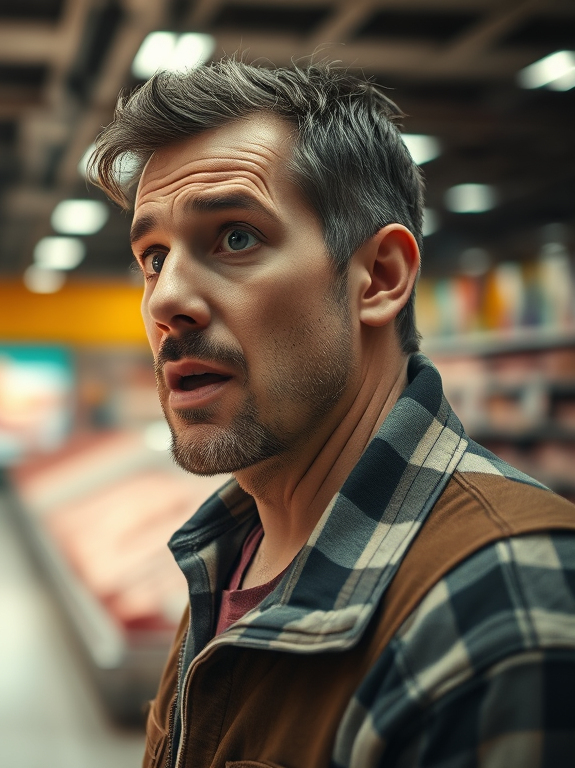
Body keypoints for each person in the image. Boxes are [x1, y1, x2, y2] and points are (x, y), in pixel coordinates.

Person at [90, 59, 575, 768]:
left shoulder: (506, 604)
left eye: (234, 237)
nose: (166, 301)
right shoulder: (229, 558)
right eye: (154, 257)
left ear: (379, 277)